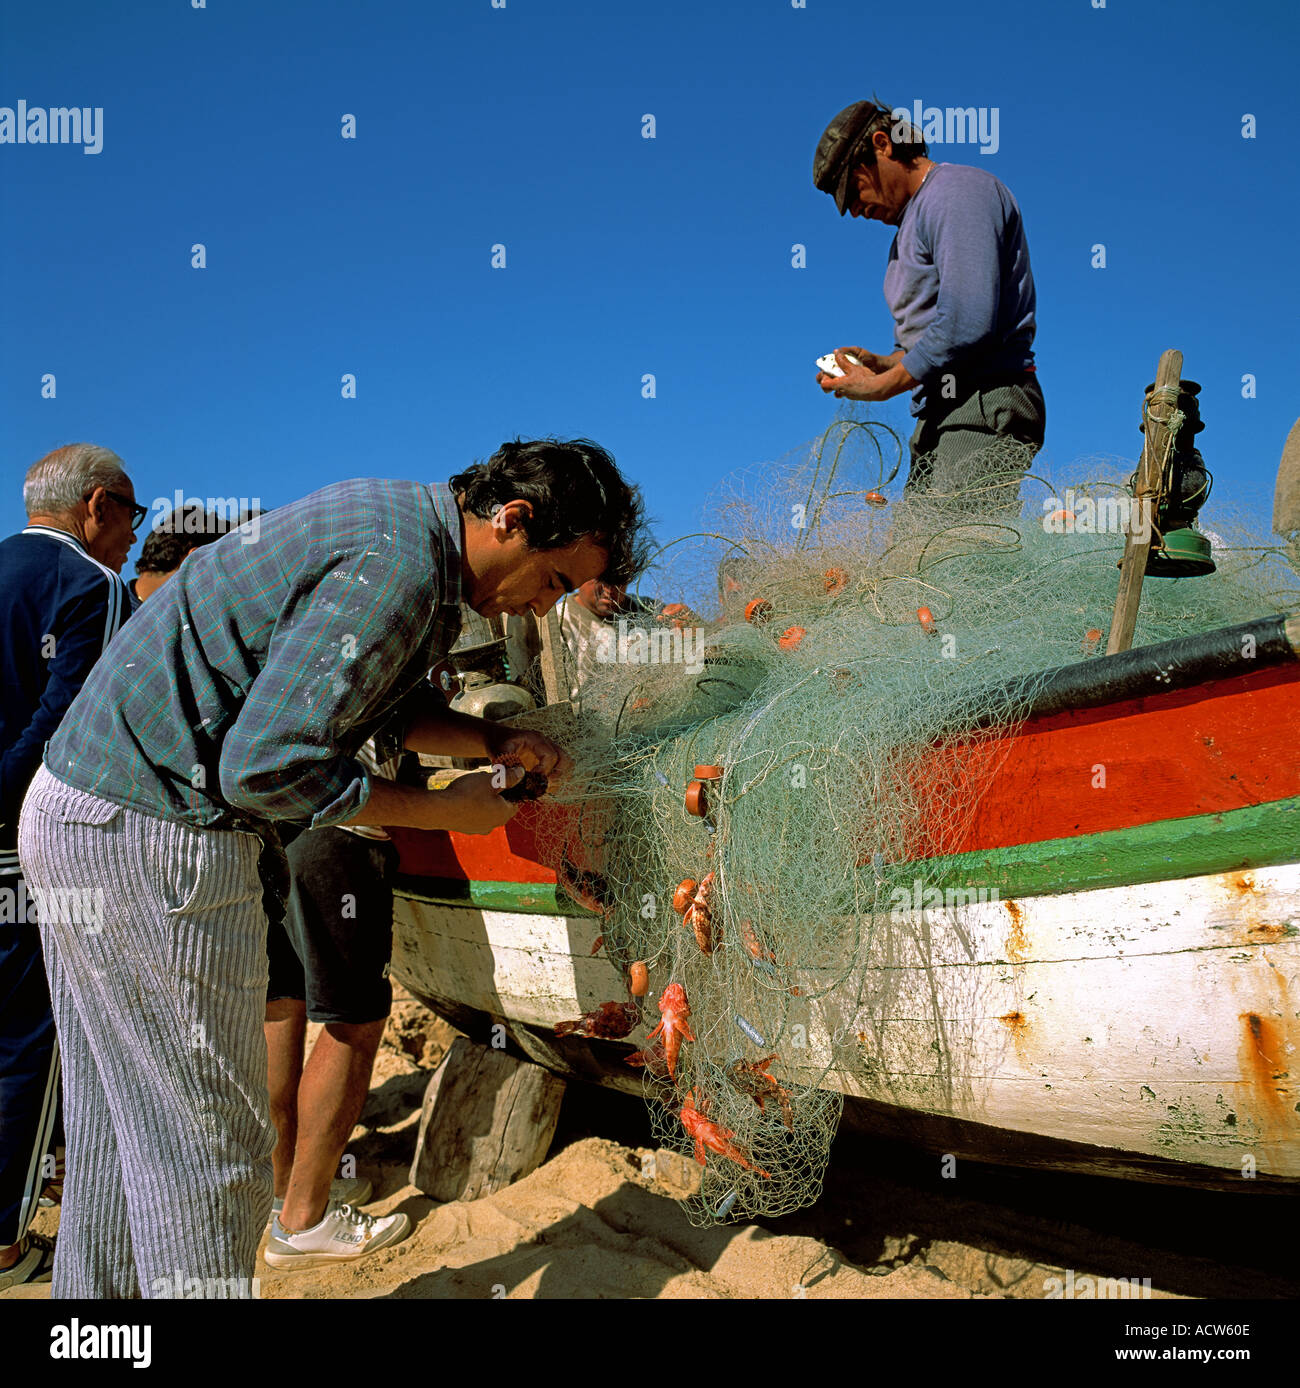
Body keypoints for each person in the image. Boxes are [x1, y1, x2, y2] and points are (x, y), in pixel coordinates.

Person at [18, 437, 649, 1298]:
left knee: (112, 1142)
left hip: (75, 811)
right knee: (211, 1152)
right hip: (152, 833)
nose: (545, 609)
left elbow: (372, 704)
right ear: (513, 521)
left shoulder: (390, 521)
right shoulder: (400, 566)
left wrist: (493, 739)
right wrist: (442, 810)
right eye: (556, 580)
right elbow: (265, 767)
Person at [0, 444, 137, 1290]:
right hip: (26, 848)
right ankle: (8, 1244)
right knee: (29, 1045)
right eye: (133, 511)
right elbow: (75, 731)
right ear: (97, 505)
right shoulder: (91, 587)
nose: (134, 533)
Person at [812, 98, 1045, 505]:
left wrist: (883, 387)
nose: (851, 210)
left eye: (853, 186)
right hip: (941, 414)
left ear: (883, 144)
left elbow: (968, 320)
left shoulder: (956, 193)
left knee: (956, 553)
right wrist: (884, 363)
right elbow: (935, 342)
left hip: (983, 401)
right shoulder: (905, 234)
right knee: (917, 561)